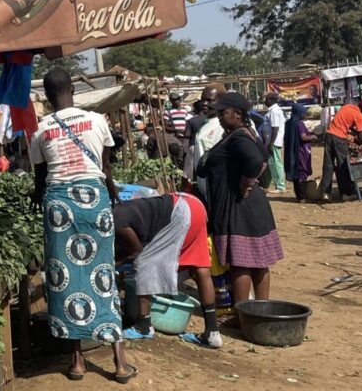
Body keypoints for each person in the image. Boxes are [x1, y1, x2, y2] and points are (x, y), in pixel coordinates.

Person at [31, 68, 135, 383]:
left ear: (46, 97)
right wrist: (112, 188)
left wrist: (38, 197)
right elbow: (105, 167)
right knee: (103, 273)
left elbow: (39, 180)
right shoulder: (96, 120)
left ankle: (76, 362)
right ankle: (119, 362)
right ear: (73, 90)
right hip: (95, 202)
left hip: (59, 205)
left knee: (66, 277)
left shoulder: (41, 129)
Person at [197, 92, 283, 308]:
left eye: (223, 113)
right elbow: (264, 157)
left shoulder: (239, 137)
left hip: (239, 206)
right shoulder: (244, 133)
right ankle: (260, 311)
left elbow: (256, 161)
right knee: (258, 262)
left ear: (236, 114)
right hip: (250, 206)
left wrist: (246, 183)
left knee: (240, 264)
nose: (219, 117)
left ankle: (243, 313)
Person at [113, 192, 222, 348]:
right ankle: (212, 333)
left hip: (180, 212)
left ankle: (144, 325)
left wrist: (113, 265)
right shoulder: (122, 210)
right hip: (194, 205)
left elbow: (137, 252)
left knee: (145, 261)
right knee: (199, 268)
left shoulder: (115, 221)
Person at [320, 98, 362, 201]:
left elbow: (347, 124)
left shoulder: (347, 107)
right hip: (339, 139)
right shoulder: (359, 116)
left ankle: (326, 193)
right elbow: (360, 137)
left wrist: (355, 132)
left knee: (328, 165)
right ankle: (345, 194)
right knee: (342, 166)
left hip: (329, 135)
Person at [190, 84, 227, 199]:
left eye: (210, 100)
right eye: (203, 100)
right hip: (204, 188)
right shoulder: (204, 123)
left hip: (218, 189)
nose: (204, 104)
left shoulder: (223, 125)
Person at [284, 103, 317, 203]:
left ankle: (298, 195)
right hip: (301, 151)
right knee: (302, 172)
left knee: (295, 172)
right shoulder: (299, 124)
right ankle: (303, 197)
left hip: (292, 151)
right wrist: (313, 137)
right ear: (298, 113)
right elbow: (303, 137)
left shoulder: (288, 123)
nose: (304, 115)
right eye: (303, 113)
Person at [264, 93, 287, 194]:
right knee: (271, 162)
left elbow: (275, 128)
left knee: (276, 162)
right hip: (271, 141)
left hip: (274, 141)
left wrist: (271, 143)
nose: (265, 101)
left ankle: (280, 186)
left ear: (271, 100)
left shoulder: (274, 111)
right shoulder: (273, 110)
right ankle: (269, 183)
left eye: (266, 99)